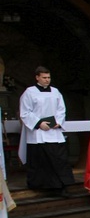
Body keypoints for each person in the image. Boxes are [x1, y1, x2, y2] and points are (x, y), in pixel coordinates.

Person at [19, 66, 75, 196]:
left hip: (54, 132)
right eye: (44, 77)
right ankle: (42, 186)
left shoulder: (56, 92)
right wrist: (39, 123)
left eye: (48, 77)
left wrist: (58, 122)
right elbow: (25, 112)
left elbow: (62, 109)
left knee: (59, 160)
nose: (47, 80)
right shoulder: (29, 92)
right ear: (37, 77)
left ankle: (61, 186)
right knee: (43, 162)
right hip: (38, 133)